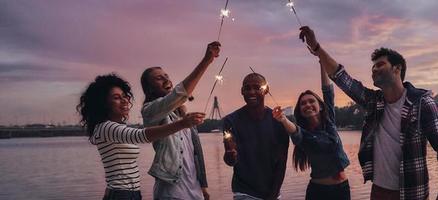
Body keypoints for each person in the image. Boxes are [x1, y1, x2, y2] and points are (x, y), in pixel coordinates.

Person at [298, 26, 438, 200]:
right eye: (373, 67)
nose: (374, 69)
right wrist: (316, 48)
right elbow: (341, 77)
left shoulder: (422, 103)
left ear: (397, 69)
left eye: (380, 65)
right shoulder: (374, 102)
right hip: (379, 192)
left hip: (412, 194)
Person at [77, 74, 205, 200]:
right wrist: (182, 124)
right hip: (120, 194)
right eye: (116, 97)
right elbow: (141, 135)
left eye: (124, 96)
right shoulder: (106, 127)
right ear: (103, 104)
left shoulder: (116, 127)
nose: (124, 100)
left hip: (130, 193)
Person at [140, 41, 221, 200]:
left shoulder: (183, 116)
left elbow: (195, 153)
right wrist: (206, 61)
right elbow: (179, 94)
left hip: (195, 192)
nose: (165, 80)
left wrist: (203, 186)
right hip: (171, 193)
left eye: (166, 76)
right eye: (158, 78)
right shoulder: (150, 112)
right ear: (149, 88)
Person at [272, 63, 350, 200]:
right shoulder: (305, 135)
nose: (307, 105)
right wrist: (283, 119)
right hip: (319, 192)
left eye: (311, 101)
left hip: (342, 189)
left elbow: (328, 91)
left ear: (320, 106)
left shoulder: (329, 120)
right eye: (303, 103)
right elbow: (295, 132)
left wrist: (321, 61)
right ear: (300, 111)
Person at [222, 73, 290, 200]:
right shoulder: (230, 121)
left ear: (266, 90)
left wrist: (273, 195)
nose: (251, 92)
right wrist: (230, 155)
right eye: (247, 88)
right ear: (242, 91)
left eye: (257, 87)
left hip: (273, 192)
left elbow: (282, 163)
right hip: (244, 192)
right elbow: (230, 161)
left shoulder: (279, 121)